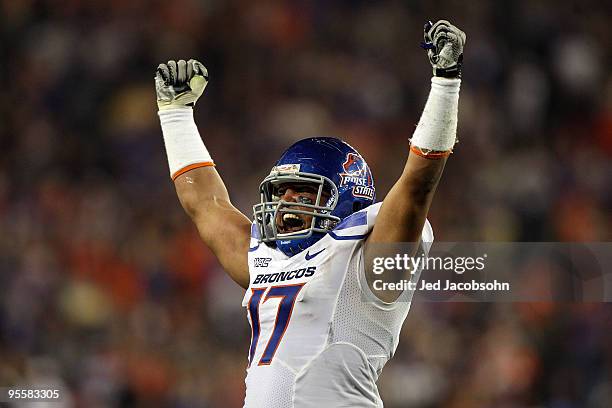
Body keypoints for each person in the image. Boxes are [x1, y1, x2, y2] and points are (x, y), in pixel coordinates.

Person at [155, 19, 466, 408]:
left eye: (303, 192)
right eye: (280, 192)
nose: (285, 203)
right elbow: (205, 204)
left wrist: (445, 82)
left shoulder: (369, 259)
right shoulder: (264, 260)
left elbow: (418, 184)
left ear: (347, 200)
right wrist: (175, 115)